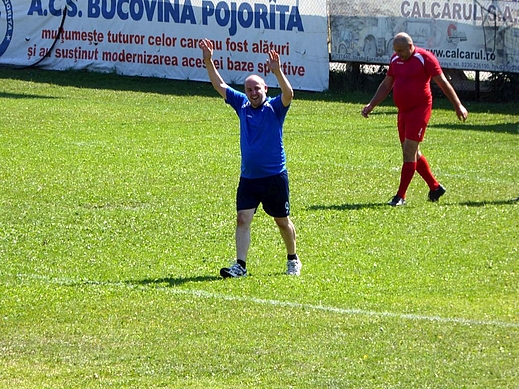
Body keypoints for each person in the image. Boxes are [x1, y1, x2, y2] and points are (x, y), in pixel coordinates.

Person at [199, 38, 302, 277]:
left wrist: (278, 72)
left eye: (257, 88)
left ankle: (292, 259)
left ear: (265, 89)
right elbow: (220, 85)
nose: (253, 93)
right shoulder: (242, 105)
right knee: (242, 219)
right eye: (249, 89)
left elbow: (289, 93)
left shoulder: (276, 107)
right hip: (249, 178)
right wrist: (208, 60)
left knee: (282, 221)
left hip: (274, 177)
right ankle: (241, 266)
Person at [362, 32, 468, 206]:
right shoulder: (395, 60)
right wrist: (372, 105)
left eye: (401, 50)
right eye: (396, 50)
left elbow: (443, 82)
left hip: (419, 110)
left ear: (411, 46)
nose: (398, 54)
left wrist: (458, 105)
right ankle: (435, 187)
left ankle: (400, 196)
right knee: (413, 152)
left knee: (408, 151)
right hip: (403, 111)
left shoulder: (425, 58)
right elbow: (387, 84)